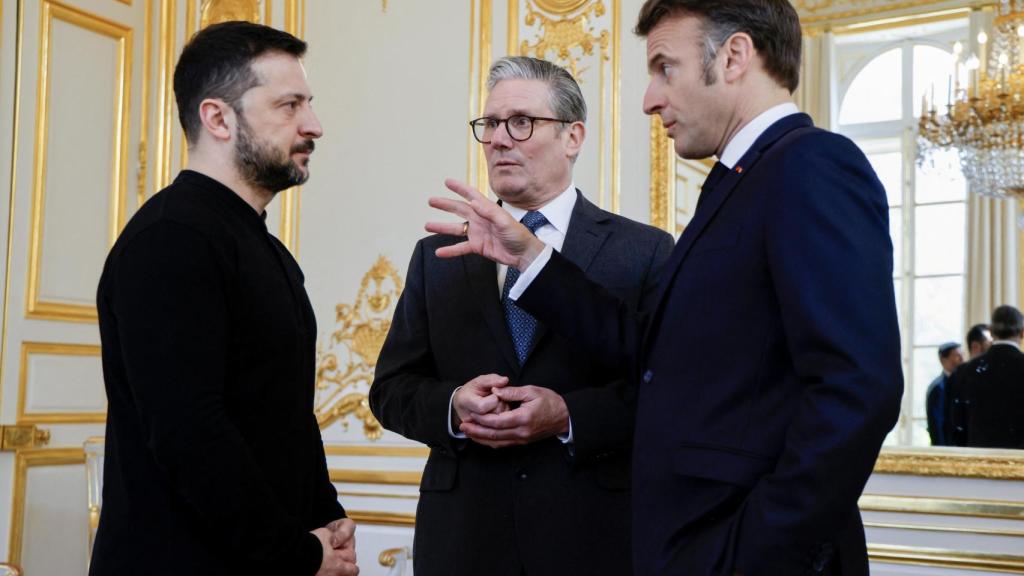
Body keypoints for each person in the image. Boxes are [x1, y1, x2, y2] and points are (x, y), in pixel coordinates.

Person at [425, 1, 903, 574]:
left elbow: (857, 391)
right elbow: (656, 352)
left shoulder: (812, 167)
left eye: (663, 67)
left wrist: (750, 552)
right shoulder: (739, 182)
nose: (650, 98)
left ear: (734, 57)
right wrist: (531, 257)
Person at [370, 56, 673, 576]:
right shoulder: (437, 254)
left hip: (589, 537)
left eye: (521, 122)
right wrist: (453, 407)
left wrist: (568, 416)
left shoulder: (642, 251)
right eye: (490, 124)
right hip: (463, 539)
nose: (500, 139)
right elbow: (391, 390)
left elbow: (667, 391)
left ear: (573, 136)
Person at [92, 22, 357, 576]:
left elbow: (283, 411)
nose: (314, 126)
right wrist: (300, 553)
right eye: (289, 106)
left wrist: (326, 517)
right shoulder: (172, 237)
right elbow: (189, 432)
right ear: (218, 117)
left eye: (308, 104)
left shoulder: (264, 248)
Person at [947, 305, 1024, 449]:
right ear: (1022, 332)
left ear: (991, 331)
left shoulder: (964, 371)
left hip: (977, 460)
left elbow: (955, 425)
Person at [925, 342, 963, 446]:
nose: (962, 359)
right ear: (943, 359)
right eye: (957, 355)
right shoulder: (938, 387)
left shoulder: (962, 382)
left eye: (962, 355)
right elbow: (936, 424)